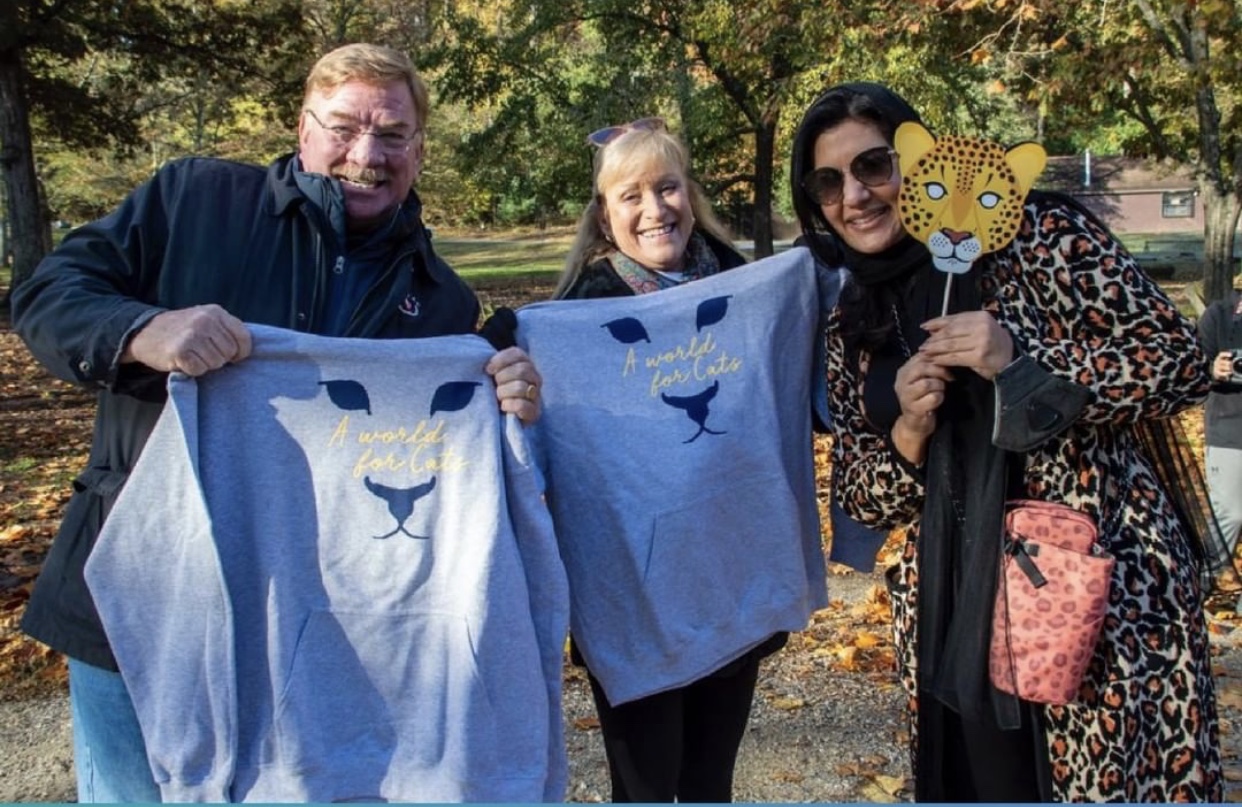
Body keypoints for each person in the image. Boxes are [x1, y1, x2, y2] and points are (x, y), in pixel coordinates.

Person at [12, 43, 543, 803]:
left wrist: (501, 396)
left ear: (419, 150)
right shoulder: (194, 201)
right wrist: (141, 331)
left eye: (392, 135)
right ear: (303, 129)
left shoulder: (444, 302)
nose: (367, 154)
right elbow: (46, 295)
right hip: (144, 595)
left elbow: (434, 457)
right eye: (344, 127)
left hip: (316, 628)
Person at [790, 82, 1221, 801]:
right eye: (827, 183)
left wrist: (1021, 358)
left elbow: (1176, 364)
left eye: (872, 165)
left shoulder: (1038, 233)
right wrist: (909, 429)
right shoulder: (852, 319)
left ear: (917, 162)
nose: (854, 196)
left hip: (1090, 591)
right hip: (956, 603)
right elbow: (863, 496)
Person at [552, 118, 786, 803]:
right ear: (606, 216)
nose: (654, 209)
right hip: (633, 593)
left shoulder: (748, 289)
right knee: (645, 788)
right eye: (631, 195)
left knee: (712, 782)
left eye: (667, 187)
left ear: (691, 194)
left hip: (729, 574)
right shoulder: (575, 318)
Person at [1199, 284, 1242, 594]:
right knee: (1230, 511)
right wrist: (1213, 368)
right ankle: (1199, 580)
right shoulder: (1219, 315)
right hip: (1230, 427)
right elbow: (1189, 369)